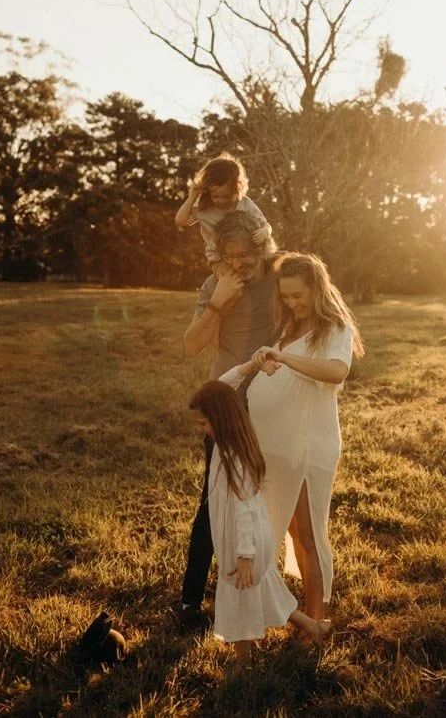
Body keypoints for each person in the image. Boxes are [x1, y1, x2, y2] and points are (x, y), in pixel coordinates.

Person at [218, 252, 364, 626]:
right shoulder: (290, 328)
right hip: (274, 445)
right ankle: (288, 612)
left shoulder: (335, 329)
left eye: (299, 295)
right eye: (285, 296)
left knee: (307, 533)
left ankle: (316, 619)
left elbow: (335, 372)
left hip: (306, 445)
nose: (292, 303)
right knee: (277, 528)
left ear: (318, 289)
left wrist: (286, 361)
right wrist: (267, 361)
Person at [172, 211, 278, 628]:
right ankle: (190, 601)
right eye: (228, 255)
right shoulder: (217, 283)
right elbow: (192, 345)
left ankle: (273, 592)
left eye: (244, 255)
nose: (236, 264)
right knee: (213, 499)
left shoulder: (278, 272)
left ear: (262, 247)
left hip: (274, 402)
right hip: (227, 405)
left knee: (269, 495)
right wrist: (219, 303)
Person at [188, 380, 331, 670]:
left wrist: (244, 556)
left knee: (240, 592)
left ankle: (243, 662)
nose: (200, 429)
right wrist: (248, 367)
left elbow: (242, 510)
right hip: (249, 536)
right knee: (261, 587)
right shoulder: (227, 445)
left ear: (220, 418)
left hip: (247, 539)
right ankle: (312, 628)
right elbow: (225, 381)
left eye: (203, 423)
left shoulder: (234, 457)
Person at [174, 152, 273, 278]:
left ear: (237, 188)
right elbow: (180, 221)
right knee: (232, 281)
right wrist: (193, 196)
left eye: (226, 196)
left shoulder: (243, 203)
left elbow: (265, 223)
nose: (221, 201)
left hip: (245, 255)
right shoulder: (204, 208)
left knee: (265, 274)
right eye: (216, 196)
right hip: (220, 258)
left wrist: (265, 231)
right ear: (208, 191)